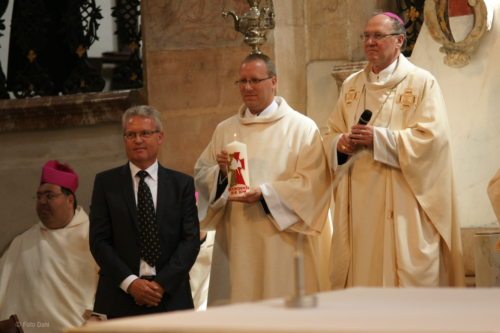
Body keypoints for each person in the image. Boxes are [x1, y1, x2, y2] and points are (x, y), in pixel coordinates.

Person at [324, 12, 464, 288]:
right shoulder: (352, 85)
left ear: (399, 40)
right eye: (366, 36)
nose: (370, 42)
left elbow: (433, 140)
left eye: (378, 36)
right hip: (359, 204)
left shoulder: (422, 82)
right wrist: (340, 144)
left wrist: (379, 139)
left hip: (403, 200)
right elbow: (330, 133)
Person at [194, 53, 332, 305]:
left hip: (282, 240)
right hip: (238, 238)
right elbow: (202, 173)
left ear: (274, 81)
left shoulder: (301, 128)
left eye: (255, 81)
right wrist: (221, 174)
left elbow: (314, 185)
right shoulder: (225, 129)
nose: (247, 88)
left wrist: (267, 194)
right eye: (242, 81)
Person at [89, 105, 200, 318]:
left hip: (170, 295)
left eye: (145, 133)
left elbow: (190, 240)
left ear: (160, 137)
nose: (138, 140)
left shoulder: (182, 184)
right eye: (131, 134)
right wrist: (131, 283)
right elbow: (99, 241)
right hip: (120, 295)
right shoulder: (106, 183)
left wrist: (160, 285)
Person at [0, 160, 98, 333]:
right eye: (39, 196)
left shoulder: (93, 237)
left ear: (69, 200)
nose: (42, 201)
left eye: (50, 196)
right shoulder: (22, 242)